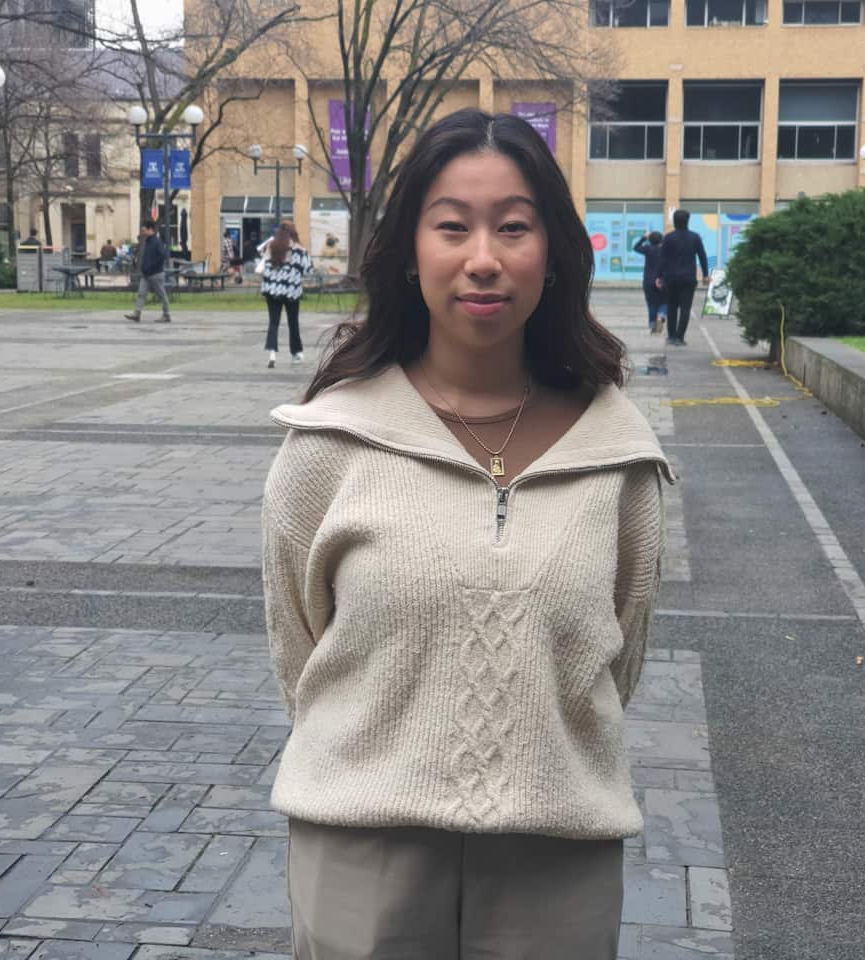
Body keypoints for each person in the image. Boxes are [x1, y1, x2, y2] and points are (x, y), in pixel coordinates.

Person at [261, 108, 673, 959]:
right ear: (410, 251)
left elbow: (616, 658)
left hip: (556, 860)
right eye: (452, 227)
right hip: (359, 849)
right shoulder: (328, 447)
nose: (483, 258)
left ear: (554, 252)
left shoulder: (618, 455)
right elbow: (301, 659)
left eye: (513, 228)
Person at [258, 221, 311, 368]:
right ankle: (296, 352)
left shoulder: (271, 246)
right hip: (291, 291)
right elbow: (307, 269)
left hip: (272, 290)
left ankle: (272, 354)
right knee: (292, 322)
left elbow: (262, 263)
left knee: (273, 322)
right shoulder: (299, 250)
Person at [657, 208, 709, 346]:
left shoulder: (668, 238)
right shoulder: (695, 237)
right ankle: (680, 337)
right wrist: (705, 274)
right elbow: (702, 256)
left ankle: (671, 336)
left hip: (671, 278)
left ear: (674, 222)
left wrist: (659, 276)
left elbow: (662, 258)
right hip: (688, 278)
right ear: (687, 221)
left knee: (672, 307)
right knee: (685, 308)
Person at [125, 219, 171, 324]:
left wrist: (152, 266)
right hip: (146, 274)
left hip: (156, 274)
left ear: (150, 230)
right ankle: (137, 314)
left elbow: (163, 255)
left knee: (161, 294)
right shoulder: (147, 241)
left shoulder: (157, 241)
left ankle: (166, 314)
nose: (142, 232)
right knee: (141, 293)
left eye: (144, 230)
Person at [632, 230, 666, 334]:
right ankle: (661, 315)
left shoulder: (648, 249)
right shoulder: (664, 250)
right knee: (665, 301)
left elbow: (635, 247)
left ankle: (653, 326)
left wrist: (644, 237)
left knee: (651, 304)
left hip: (648, 280)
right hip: (662, 280)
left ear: (650, 240)